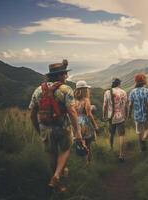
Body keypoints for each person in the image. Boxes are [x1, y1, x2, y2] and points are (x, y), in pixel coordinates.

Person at [29, 59, 86, 192]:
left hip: (45, 128)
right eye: (64, 74)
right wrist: (77, 132)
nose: (66, 76)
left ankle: (57, 185)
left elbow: (32, 114)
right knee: (65, 150)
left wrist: (38, 130)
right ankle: (57, 175)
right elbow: (72, 112)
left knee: (52, 154)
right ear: (59, 75)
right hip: (62, 127)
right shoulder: (66, 89)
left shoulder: (38, 90)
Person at [103, 78, 128, 162]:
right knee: (121, 135)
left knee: (111, 134)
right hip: (120, 116)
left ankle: (111, 149)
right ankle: (121, 154)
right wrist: (126, 115)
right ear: (119, 84)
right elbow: (125, 105)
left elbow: (105, 105)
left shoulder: (107, 92)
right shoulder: (123, 92)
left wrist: (104, 115)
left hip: (111, 116)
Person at [74, 80, 99, 164]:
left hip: (77, 122)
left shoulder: (74, 100)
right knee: (88, 144)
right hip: (85, 122)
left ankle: (82, 162)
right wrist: (95, 125)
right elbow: (89, 114)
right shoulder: (86, 100)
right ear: (85, 90)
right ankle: (88, 163)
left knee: (81, 143)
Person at [128, 73, 148, 152]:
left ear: (136, 82)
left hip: (137, 116)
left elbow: (130, 104)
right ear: (144, 81)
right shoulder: (147, 91)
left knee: (139, 132)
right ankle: (144, 139)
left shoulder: (132, 92)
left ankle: (141, 148)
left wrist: (129, 114)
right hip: (146, 115)